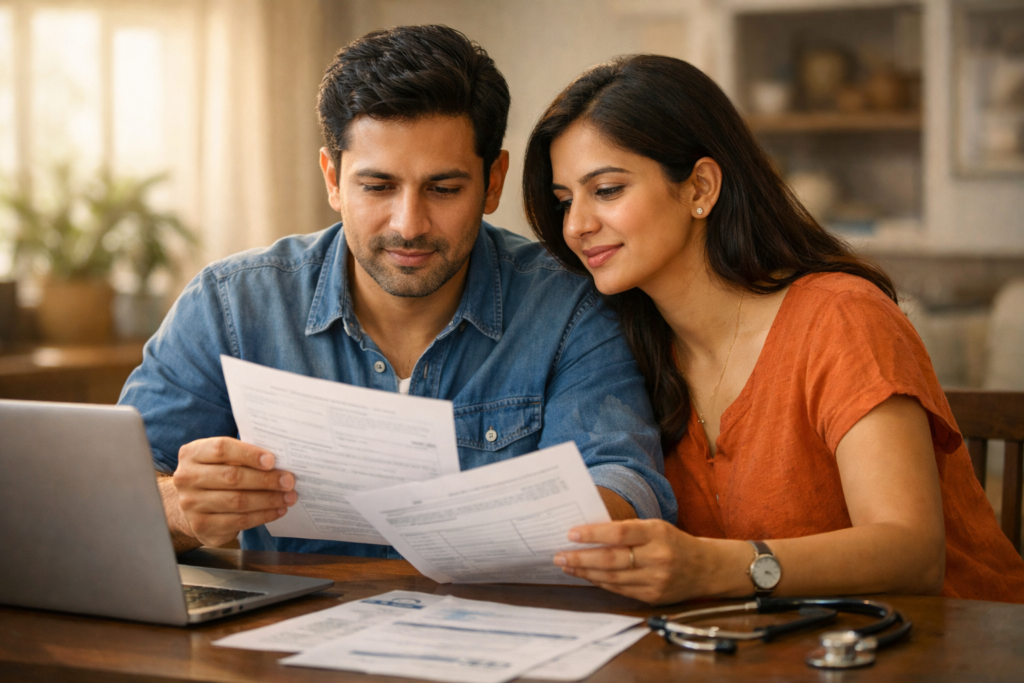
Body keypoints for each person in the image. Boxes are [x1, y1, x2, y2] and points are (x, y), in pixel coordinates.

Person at [118, 27, 676, 558]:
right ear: (333, 180)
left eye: (443, 188)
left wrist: (579, 518)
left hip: (498, 634)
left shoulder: (567, 309)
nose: (408, 224)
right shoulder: (230, 306)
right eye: (378, 186)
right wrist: (181, 510)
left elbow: (626, 489)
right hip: (290, 646)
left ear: (494, 182)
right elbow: (113, 496)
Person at [522, 54, 1024, 604]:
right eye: (564, 200)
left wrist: (715, 568)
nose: (576, 226)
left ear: (700, 189)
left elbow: (912, 554)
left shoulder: (841, 318)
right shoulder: (629, 346)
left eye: (608, 190)